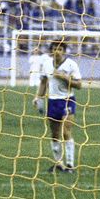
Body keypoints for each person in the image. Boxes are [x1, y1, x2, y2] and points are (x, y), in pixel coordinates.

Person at [33, 39, 82, 173]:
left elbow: (79, 85)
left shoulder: (71, 65)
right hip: (52, 102)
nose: (57, 52)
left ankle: (70, 165)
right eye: (54, 49)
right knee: (54, 134)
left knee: (66, 132)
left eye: (60, 49)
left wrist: (64, 77)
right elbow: (43, 82)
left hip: (67, 100)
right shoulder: (47, 64)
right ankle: (58, 163)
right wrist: (38, 97)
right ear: (51, 51)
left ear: (64, 52)